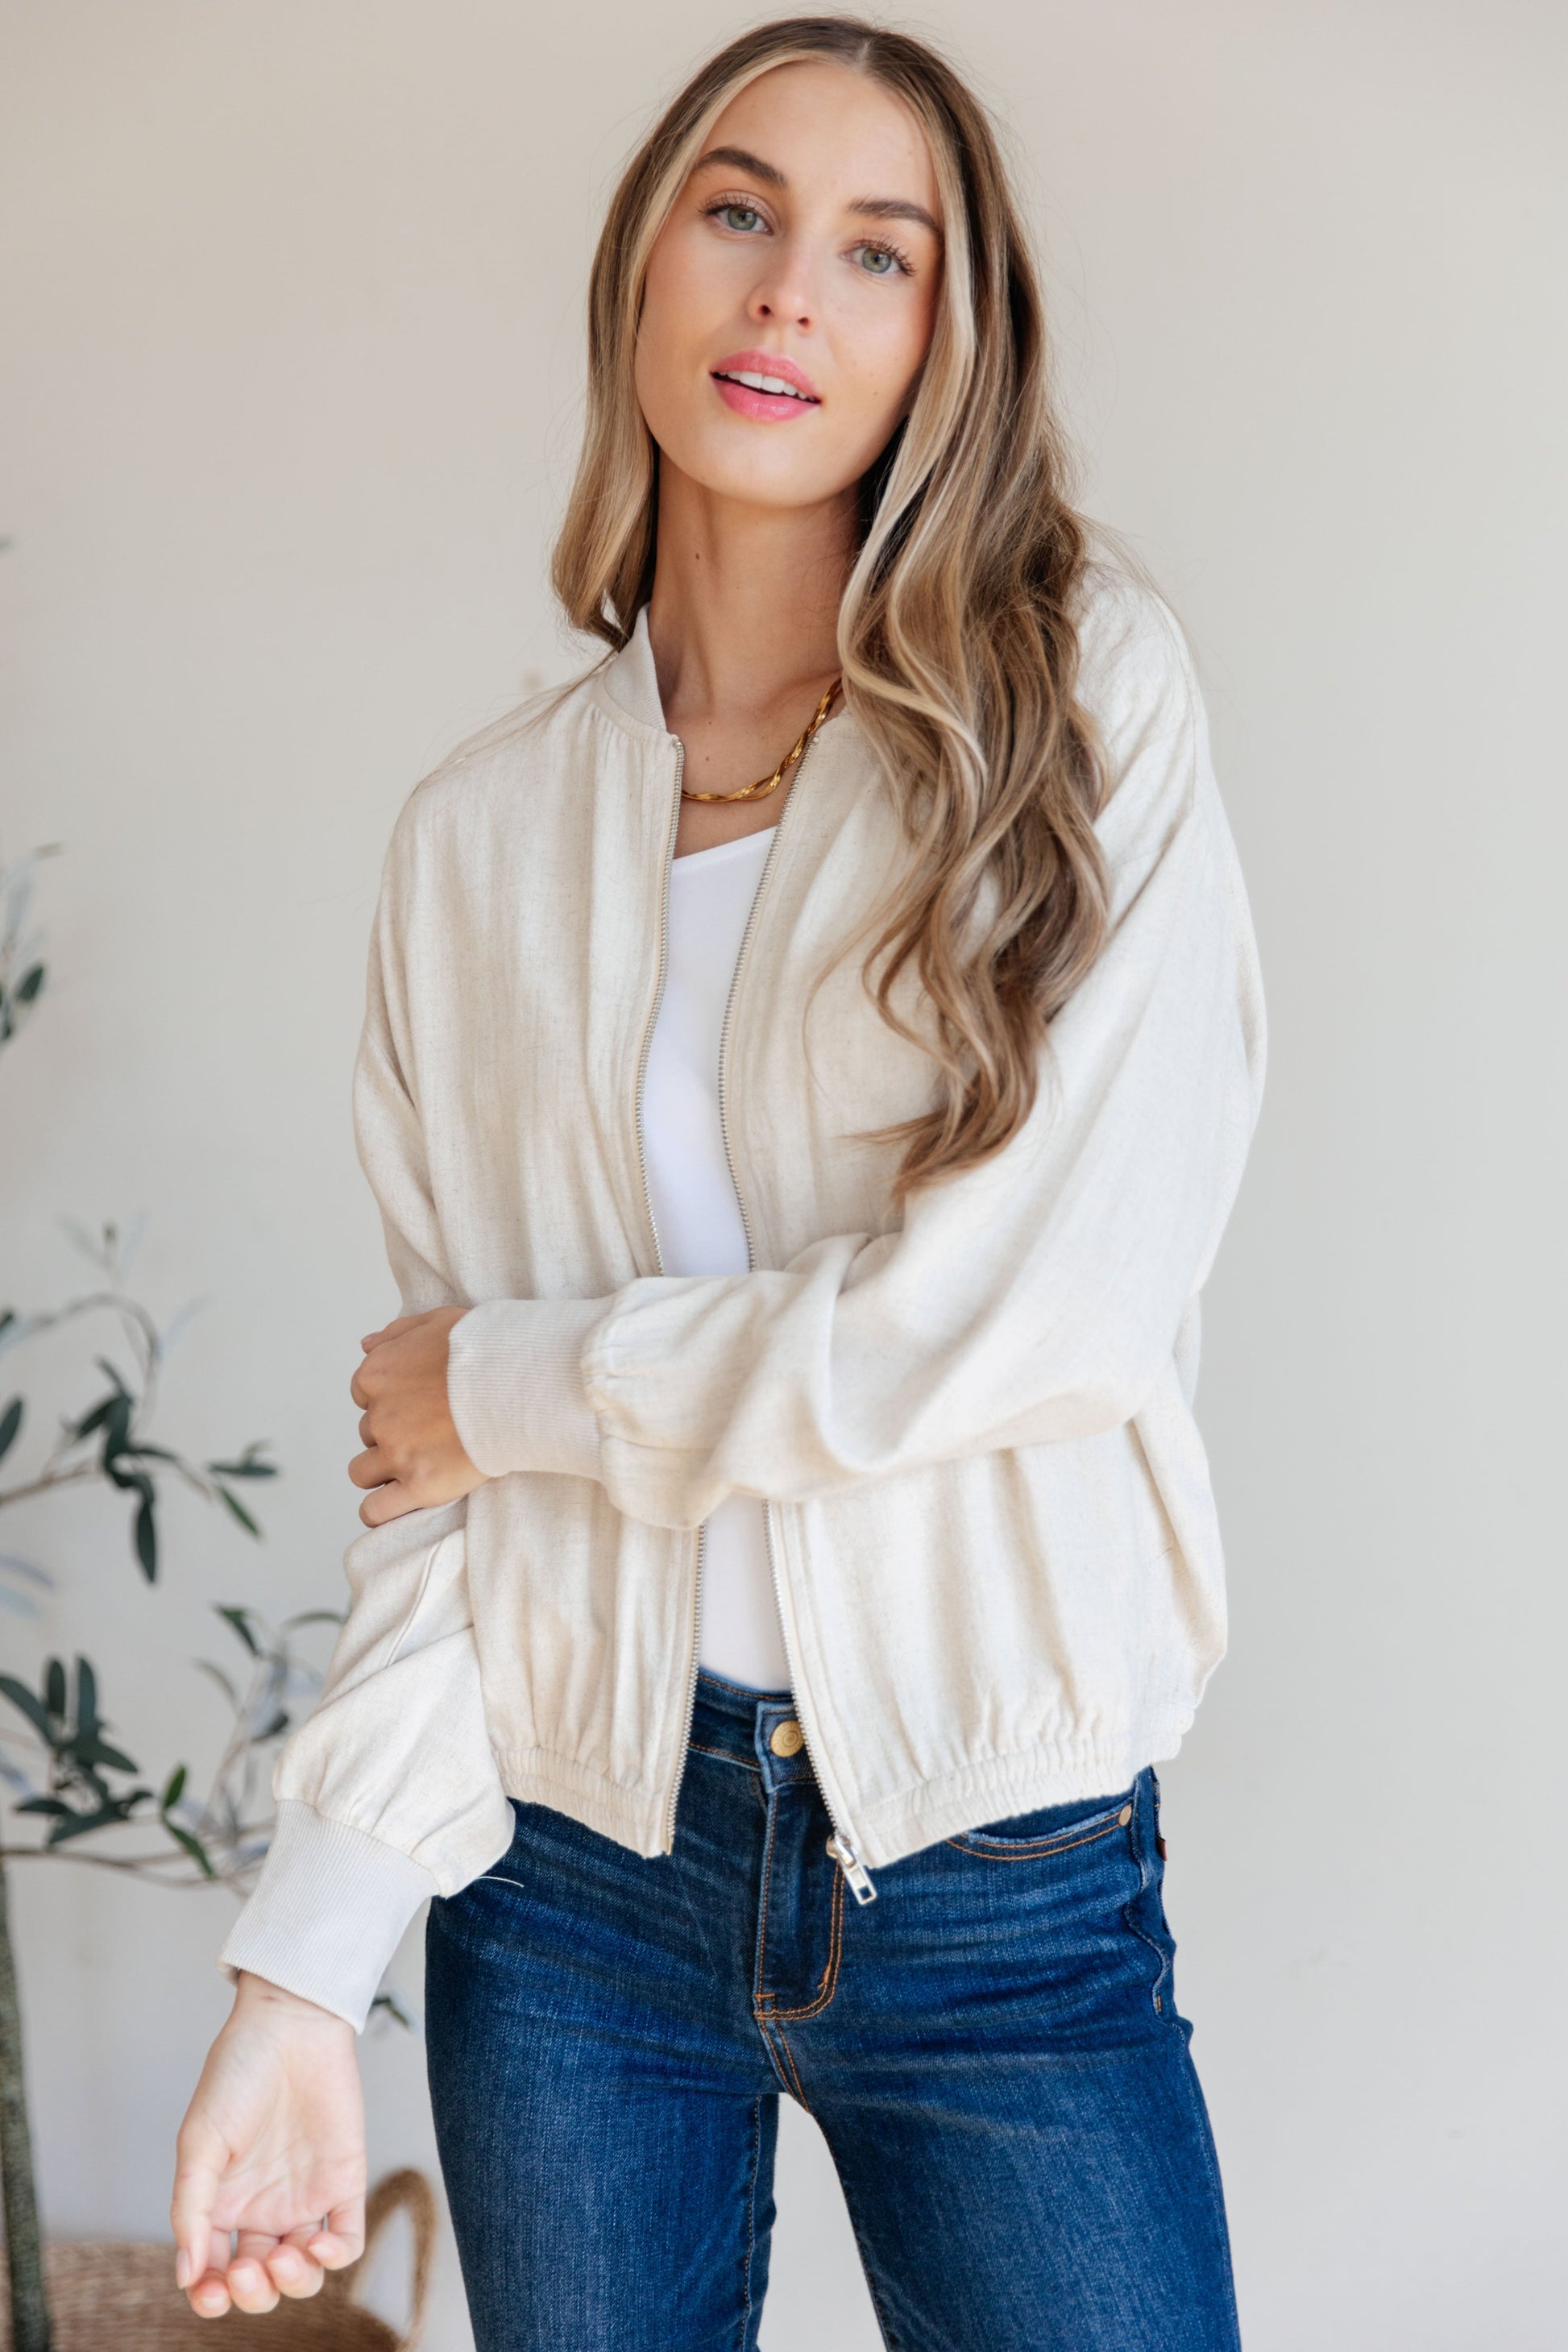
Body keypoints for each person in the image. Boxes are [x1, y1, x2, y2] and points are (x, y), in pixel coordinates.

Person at [171, 17, 1264, 2349]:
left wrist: (522, 1384)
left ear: (948, 338)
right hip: (569, 1880)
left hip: (996, 1868)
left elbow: (1038, 1317)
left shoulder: (1078, 712)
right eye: (740, 210)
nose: (787, 291)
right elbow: (438, 1502)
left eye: (879, 251)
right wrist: (300, 1973)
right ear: (642, 266)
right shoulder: (475, 842)